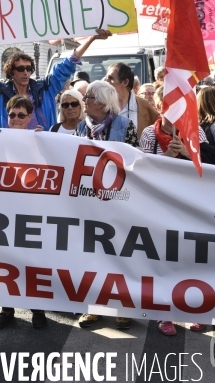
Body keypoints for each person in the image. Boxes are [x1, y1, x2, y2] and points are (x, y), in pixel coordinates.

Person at [0, 24, 112, 130]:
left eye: (29, 68)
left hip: (41, 152)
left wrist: (91, 39)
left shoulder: (45, 89)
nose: (25, 72)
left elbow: (67, 64)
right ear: (11, 72)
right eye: (20, 69)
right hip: (6, 151)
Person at [140, 85, 208, 336]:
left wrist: (190, 154)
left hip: (191, 205)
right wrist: (168, 155)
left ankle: (196, 310)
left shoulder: (196, 131)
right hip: (160, 206)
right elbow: (145, 173)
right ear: (159, 107)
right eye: (168, 104)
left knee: (192, 260)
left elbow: (210, 169)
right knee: (163, 261)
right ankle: (163, 314)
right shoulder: (149, 134)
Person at [75, 80, 138, 330]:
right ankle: (94, 307)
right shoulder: (82, 127)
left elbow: (135, 163)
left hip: (118, 203)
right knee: (90, 257)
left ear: (101, 102)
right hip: (87, 203)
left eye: (88, 97)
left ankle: (123, 308)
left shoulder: (125, 126)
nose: (84, 101)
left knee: (120, 256)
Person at [0, 96, 45, 330]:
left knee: (32, 260)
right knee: (5, 259)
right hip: (3, 210)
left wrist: (44, 143)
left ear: (29, 117)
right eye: (12, 114)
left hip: (31, 210)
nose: (15, 119)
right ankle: (7, 308)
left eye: (21, 115)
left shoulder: (40, 139)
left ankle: (37, 308)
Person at [104, 63, 158, 139]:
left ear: (125, 82)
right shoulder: (102, 104)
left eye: (111, 78)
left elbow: (159, 129)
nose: (106, 81)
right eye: (106, 78)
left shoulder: (143, 105)